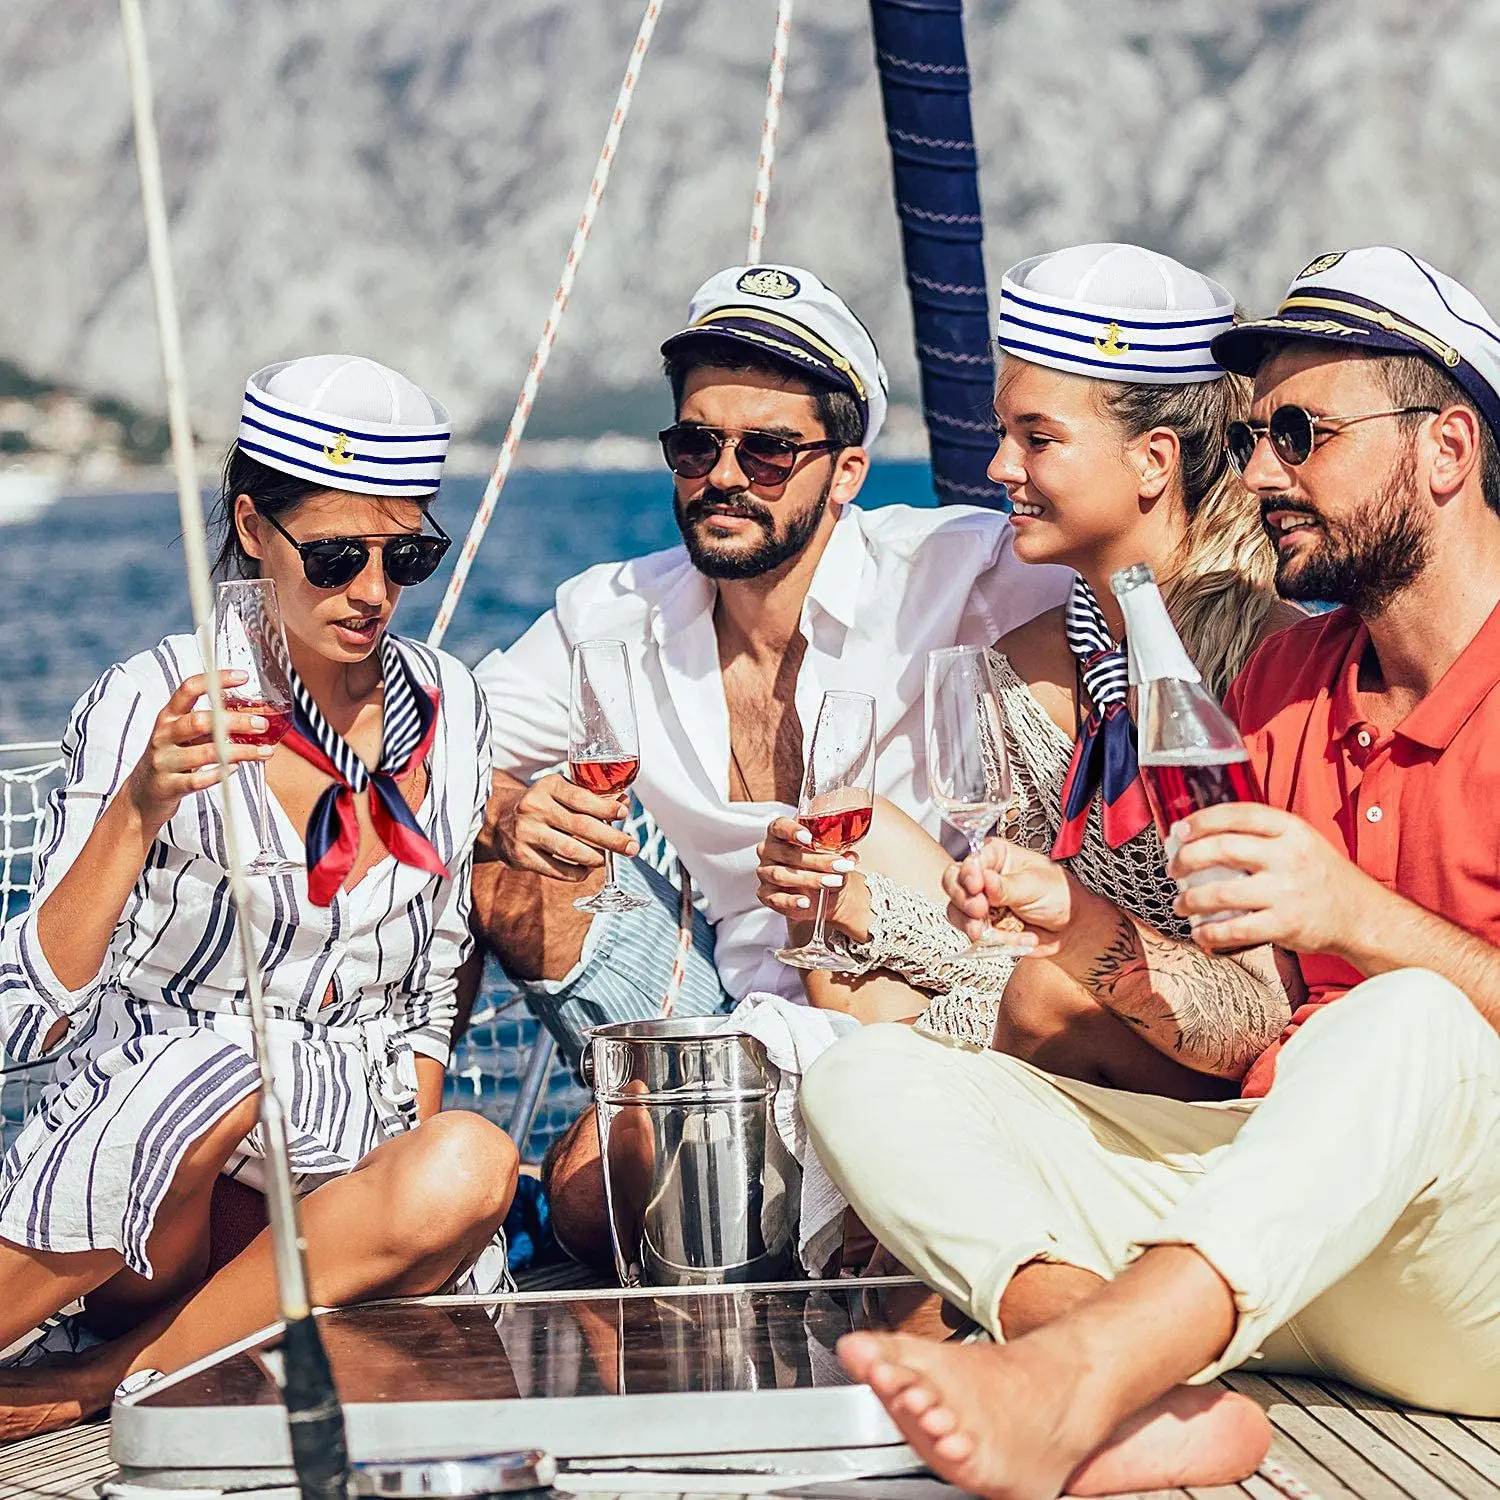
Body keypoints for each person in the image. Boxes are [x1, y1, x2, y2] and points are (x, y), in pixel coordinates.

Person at [801, 246, 1500, 1497]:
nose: (1265, 471)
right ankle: (1138, 1378)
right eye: (1260, 435)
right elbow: (1248, 1018)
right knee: (867, 1078)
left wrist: (1362, 918)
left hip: (1472, 1276)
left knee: (1411, 1020)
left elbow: (1399, 1015)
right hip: (1290, 1246)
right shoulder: (1285, 686)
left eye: (1300, 432)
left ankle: (1070, 1378)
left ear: (1446, 450)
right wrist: (1074, 922)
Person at [471, 263, 1070, 1266]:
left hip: (906, 994)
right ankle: (401, 1190)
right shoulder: (611, 618)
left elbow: (1142, 559)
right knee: (491, 867)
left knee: (594, 1190)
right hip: (723, 996)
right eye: (696, 444)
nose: (725, 475)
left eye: (769, 449)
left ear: (847, 471)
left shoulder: (958, 572)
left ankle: (693, 1187)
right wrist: (504, 808)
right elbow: (428, 745)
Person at [0, 356, 516, 1437]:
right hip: (151, 1189)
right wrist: (136, 810)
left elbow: (429, 995)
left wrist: (394, 1195)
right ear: (250, 525)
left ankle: (97, 1384)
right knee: (230, 1061)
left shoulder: (451, 708)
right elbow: (22, 1018)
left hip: (325, 1209)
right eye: (334, 557)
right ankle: (127, 1341)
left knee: (473, 1158)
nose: (373, 593)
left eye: (405, 555)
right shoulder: (155, 697)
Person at [755, 243, 1300, 1086]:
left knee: (1012, 999)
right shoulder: (1019, 666)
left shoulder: (1270, 668)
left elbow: (1248, 1011)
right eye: (1005, 434)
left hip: (1198, 1058)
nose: (999, 467)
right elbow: (1015, 944)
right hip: (1053, 1003)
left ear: (1154, 460)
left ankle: (902, 1075)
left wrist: (890, 931)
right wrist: (865, 909)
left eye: (1037, 438)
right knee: (843, 834)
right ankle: (902, 1062)